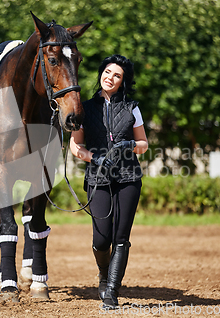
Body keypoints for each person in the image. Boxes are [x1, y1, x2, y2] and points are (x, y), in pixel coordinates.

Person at [70, 54, 148, 309]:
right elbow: (75, 145)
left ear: (123, 81)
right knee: (102, 239)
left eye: (117, 75)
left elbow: (144, 144)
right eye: (107, 72)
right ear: (101, 74)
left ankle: (112, 291)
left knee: (121, 238)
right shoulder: (85, 107)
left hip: (128, 178)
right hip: (98, 178)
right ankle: (103, 272)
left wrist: (130, 145)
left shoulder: (131, 107)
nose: (110, 78)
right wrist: (94, 158)